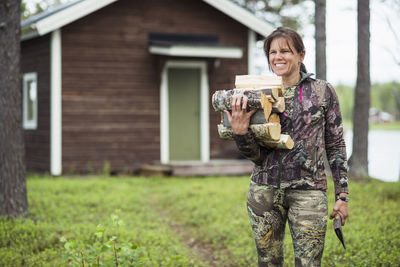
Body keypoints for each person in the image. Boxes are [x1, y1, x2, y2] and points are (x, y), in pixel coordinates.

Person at [224, 27, 349, 267]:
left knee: (309, 263)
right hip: (264, 193)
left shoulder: (323, 91)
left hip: (309, 193)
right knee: (268, 263)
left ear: (301, 55)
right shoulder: (257, 94)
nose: (277, 57)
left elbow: (336, 145)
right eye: (272, 52)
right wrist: (241, 133)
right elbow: (256, 156)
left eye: (285, 51)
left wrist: (342, 195)